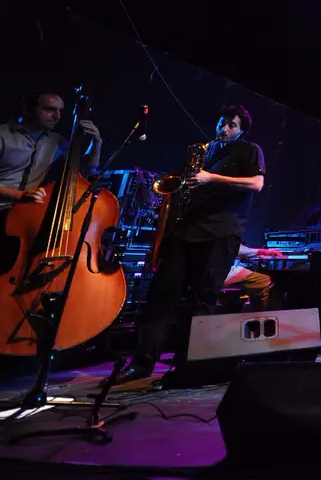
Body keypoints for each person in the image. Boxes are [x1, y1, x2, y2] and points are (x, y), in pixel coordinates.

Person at [114, 105, 265, 384]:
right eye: (222, 122)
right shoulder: (203, 151)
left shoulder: (249, 150)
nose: (224, 128)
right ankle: (142, 363)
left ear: (241, 130)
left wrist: (211, 178)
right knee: (160, 298)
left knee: (201, 303)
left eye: (231, 125)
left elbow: (256, 184)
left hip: (220, 232)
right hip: (185, 231)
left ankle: (187, 369)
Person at [0, 91, 103, 210]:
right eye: (50, 109)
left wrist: (96, 142)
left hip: (26, 210)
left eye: (60, 111)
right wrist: (20, 195)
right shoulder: (3, 135)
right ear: (28, 109)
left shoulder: (56, 141)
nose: (57, 116)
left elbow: (87, 168)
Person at [223, 244, 286, 311]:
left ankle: (252, 310)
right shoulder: (226, 237)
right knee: (266, 281)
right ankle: (262, 314)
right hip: (223, 271)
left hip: (219, 270)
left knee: (257, 278)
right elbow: (238, 250)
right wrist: (264, 251)